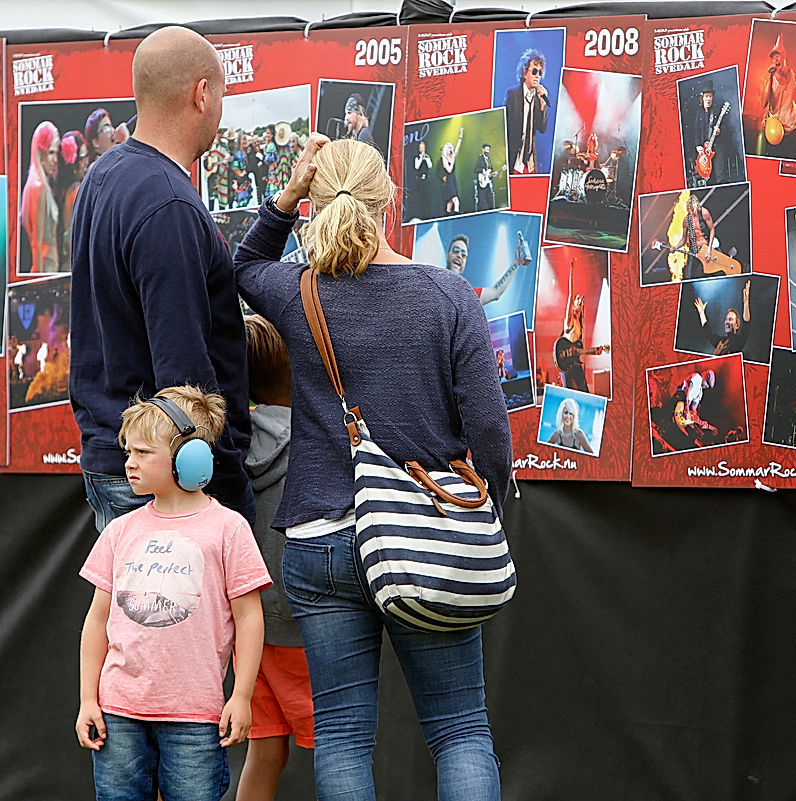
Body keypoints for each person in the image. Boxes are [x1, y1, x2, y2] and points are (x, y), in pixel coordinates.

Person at [233, 134, 512, 801]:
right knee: (460, 729)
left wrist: (289, 192)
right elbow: (490, 431)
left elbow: (242, 264)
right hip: (429, 532)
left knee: (342, 735)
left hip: (318, 541)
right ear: (388, 201)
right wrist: (492, 504)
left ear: (317, 204)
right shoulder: (449, 296)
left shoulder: (301, 294)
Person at [69, 25, 254, 534]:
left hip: (122, 459)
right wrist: (228, 483)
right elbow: (184, 378)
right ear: (202, 94)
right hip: (170, 480)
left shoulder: (105, 175)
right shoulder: (167, 203)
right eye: (220, 96)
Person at [75, 385, 271, 801]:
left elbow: (250, 617)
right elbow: (97, 620)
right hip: (118, 712)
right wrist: (87, 699)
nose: (130, 463)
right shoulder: (119, 531)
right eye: (129, 452)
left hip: (195, 716)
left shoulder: (228, 529)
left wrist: (241, 695)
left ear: (191, 458)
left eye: (144, 453)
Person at [237, 315, 315, 801]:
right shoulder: (319, 442)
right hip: (306, 626)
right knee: (337, 743)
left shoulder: (230, 447)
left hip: (250, 629)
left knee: (264, 747)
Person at [443, 232, 530, 306]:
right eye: (456, 250)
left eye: (464, 254)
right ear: (447, 255)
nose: (459, 255)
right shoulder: (432, 283)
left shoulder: (466, 295)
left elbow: (495, 292)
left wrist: (517, 262)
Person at [20, 120, 60, 273]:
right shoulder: (39, 187)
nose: (55, 160)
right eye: (50, 152)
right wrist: (40, 281)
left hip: (47, 267)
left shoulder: (35, 185)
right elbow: (37, 243)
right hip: (45, 268)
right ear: (39, 151)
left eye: (56, 153)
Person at [758, 34, 796, 159]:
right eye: (773, 58)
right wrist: (768, 78)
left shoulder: (793, 75)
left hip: (790, 131)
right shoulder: (769, 77)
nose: (775, 60)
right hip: (774, 132)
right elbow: (763, 103)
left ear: (784, 56)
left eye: (777, 56)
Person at [505, 49, 548, 175]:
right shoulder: (512, 94)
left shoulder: (538, 98)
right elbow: (505, 126)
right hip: (514, 158)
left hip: (530, 162)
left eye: (540, 72)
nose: (537, 76)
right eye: (534, 71)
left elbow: (542, 128)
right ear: (524, 73)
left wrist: (542, 104)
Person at [686, 80, 730, 185]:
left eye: (710, 96)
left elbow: (726, 129)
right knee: (708, 179)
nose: (709, 99)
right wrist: (697, 146)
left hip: (717, 148)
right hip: (704, 152)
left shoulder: (716, 111)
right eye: (706, 96)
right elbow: (696, 133)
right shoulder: (698, 113)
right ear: (703, 98)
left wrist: (720, 131)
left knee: (720, 176)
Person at [56, 130, 89, 266]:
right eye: (82, 158)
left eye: (87, 156)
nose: (86, 162)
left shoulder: (69, 189)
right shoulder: (76, 190)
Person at [694, 279, 751, 355]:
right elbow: (707, 331)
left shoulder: (739, 341)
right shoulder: (720, 341)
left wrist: (746, 302)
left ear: (737, 325)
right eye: (726, 319)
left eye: (730, 319)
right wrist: (701, 313)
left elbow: (746, 323)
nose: (727, 321)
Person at [440, 128, 464, 215]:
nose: (451, 149)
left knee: (450, 203)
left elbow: (458, 148)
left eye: (451, 147)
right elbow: (449, 170)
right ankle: (457, 216)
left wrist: (460, 136)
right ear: (446, 149)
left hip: (453, 180)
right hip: (449, 181)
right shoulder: (444, 159)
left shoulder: (452, 156)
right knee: (456, 201)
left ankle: (446, 215)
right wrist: (453, 160)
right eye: (449, 147)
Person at [409, 140, 433, 221]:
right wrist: (421, 157)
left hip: (426, 180)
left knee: (427, 198)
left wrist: (426, 158)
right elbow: (417, 166)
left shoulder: (427, 157)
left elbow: (430, 166)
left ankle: (428, 215)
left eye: (424, 148)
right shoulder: (417, 157)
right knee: (421, 198)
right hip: (420, 181)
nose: (423, 150)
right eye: (421, 148)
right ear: (419, 149)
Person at [473, 143, 497, 211]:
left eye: (489, 150)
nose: (488, 151)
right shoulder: (479, 158)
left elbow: (490, 170)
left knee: (490, 201)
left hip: (487, 183)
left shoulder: (489, 159)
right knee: (482, 203)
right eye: (486, 149)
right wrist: (482, 171)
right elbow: (475, 169)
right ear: (483, 150)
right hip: (481, 184)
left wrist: (493, 175)